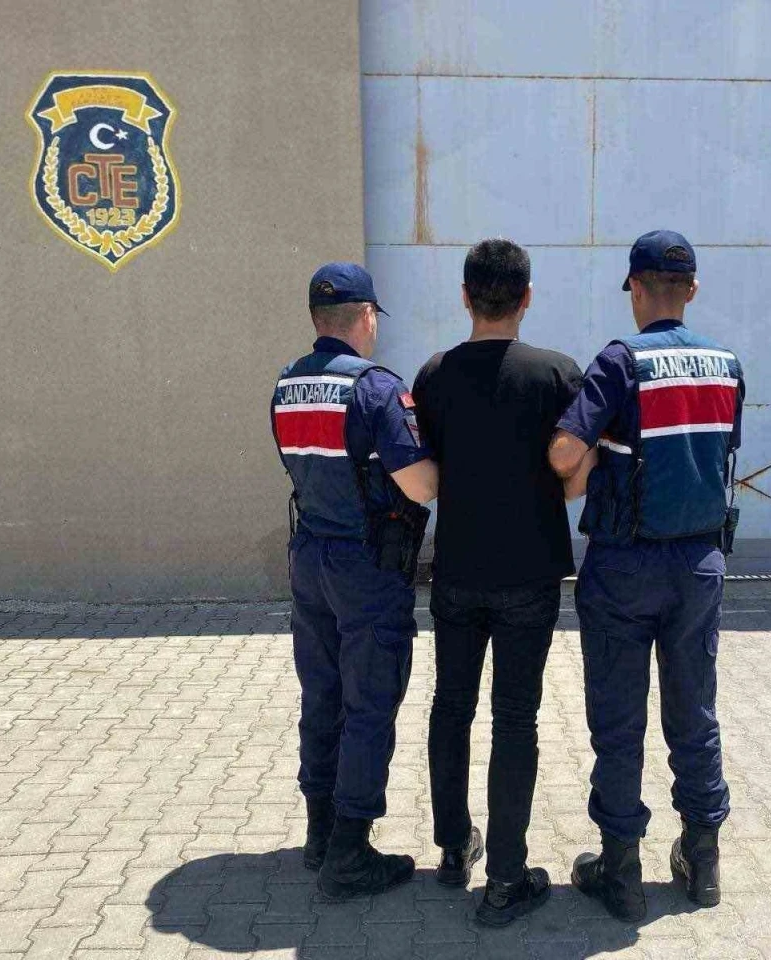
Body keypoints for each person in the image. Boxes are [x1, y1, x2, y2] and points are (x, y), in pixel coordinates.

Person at [548, 230, 744, 921]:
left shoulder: (619, 361)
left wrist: (591, 456)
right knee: (694, 709)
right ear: (692, 289)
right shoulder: (726, 365)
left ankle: (621, 869)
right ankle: (703, 858)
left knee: (618, 717)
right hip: (699, 563)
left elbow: (564, 451)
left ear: (634, 287)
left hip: (625, 566)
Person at [411, 238, 586, 926]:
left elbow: (426, 471)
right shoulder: (558, 374)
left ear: (465, 297)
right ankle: (507, 878)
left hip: (457, 569)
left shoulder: (434, 375)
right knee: (516, 718)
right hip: (529, 573)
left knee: (450, 707)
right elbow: (577, 471)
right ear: (527, 297)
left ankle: (454, 850)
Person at [271, 262, 439, 901]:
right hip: (365, 566)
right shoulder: (374, 389)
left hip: (310, 557)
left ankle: (319, 834)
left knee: (322, 694)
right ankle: (349, 852)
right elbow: (418, 484)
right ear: (366, 316)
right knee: (369, 703)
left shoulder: (288, 384)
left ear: (317, 319)